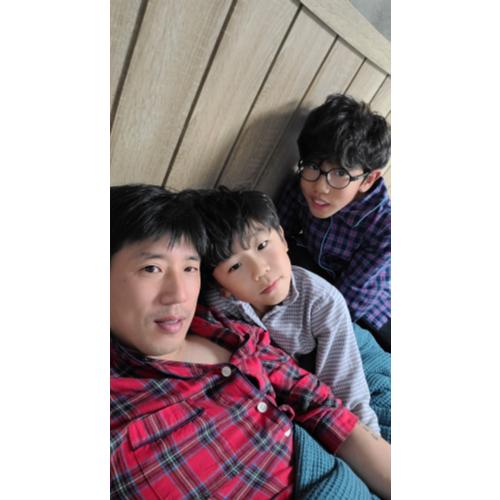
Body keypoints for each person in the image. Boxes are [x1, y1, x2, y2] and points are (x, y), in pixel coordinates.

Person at [110, 184, 391, 499]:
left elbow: (326, 407)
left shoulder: (229, 330)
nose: (179, 294)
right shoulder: (223, 304)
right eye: (152, 268)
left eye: (189, 268)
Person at [196, 186, 380, 434]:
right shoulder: (217, 304)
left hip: (336, 346)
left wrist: (372, 442)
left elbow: (348, 390)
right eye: (235, 266)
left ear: (282, 239)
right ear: (222, 287)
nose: (260, 271)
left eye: (262, 245)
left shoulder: (322, 301)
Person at [277, 93, 391, 351]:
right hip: (317, 272)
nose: (320, 187)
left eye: (340, 173)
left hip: (370, 302)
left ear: (368, 180)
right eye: (313, 165)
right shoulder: (301, 184)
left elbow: (350, 298)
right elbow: (276, 236)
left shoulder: (384, 227)